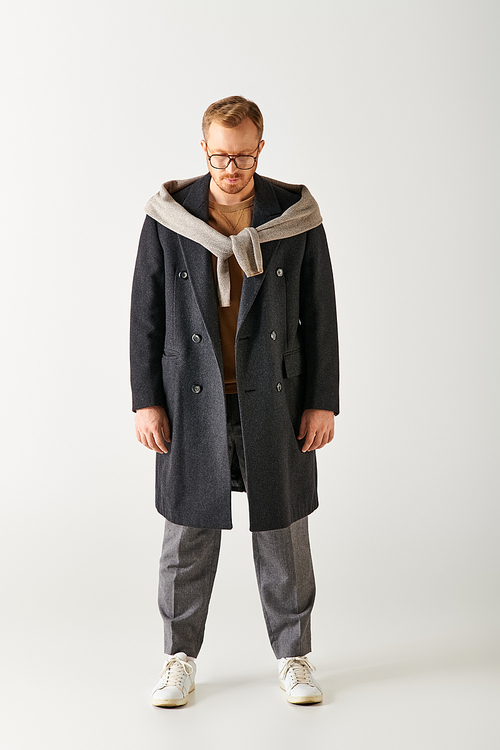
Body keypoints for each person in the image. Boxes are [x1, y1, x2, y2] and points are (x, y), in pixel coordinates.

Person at [130, 95, 339, 707]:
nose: (231, 168)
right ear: (203, 149)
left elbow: (319, 313)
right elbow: (146, 313)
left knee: (283, 534)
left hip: (276, 396)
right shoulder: (170, 216)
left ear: (260, 148)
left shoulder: (293, 214)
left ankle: (294, 659)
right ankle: (178, 659)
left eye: (242, 155)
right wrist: (146, 400)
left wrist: (321, 400)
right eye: (220, 155)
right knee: (187, 536)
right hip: (190, 399)